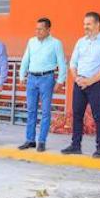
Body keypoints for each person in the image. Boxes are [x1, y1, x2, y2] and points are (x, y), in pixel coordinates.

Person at [61, 12, 100, 158]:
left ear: (97, 24)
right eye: (84, 24)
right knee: (77, 115)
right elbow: (72, 63)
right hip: (79, 83)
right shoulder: (81, 42)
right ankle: (75, 145)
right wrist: (77, 78)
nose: (85, 27)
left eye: (89, 24)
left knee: (98, 116)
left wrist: (90, 81)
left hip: (96, 84)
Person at [18, 18, 67, 152]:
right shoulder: (31, 42)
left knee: (45, 111)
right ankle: (30, 140)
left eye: (40, 29)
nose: (37, 31)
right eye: (36, 29)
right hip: (32, 78)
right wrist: (22, 76)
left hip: (47, 78)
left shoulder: (56, 43)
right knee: (31, 110)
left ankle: (42, 141)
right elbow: (25, 59)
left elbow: (62, 64)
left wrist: (60, 81)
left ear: (48, 30)